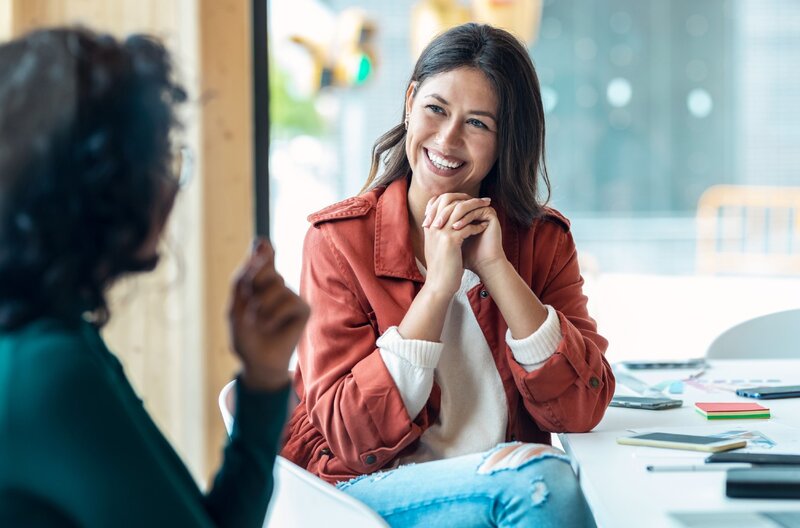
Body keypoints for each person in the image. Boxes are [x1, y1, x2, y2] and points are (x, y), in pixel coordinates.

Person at [282, 22, 614, 527]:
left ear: (507, 139)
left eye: (478, 123)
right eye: (436, 109)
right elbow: (351, 435)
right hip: (366, 493)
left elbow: (579, 409)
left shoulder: (542, 241)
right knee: (542, 485)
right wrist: (438, 288)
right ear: (410, 101)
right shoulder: (337, 242)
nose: (448, 138)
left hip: (504, 485)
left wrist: (495, 269)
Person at [0, 27, 309, 526]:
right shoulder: (49, 372)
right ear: (102, 184)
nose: (172, 184)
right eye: (162, 156)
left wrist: (265, 377)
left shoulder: (50, 339)